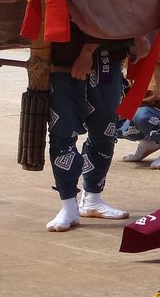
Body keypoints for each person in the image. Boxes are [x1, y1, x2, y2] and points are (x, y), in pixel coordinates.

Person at [44, 21, 131, 233]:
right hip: (63, 55)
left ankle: (92, 198)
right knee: (62, 132)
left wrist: (139, 37)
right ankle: (69, 205)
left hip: (106, 58)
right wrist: (85, 52)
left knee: (105, 130)